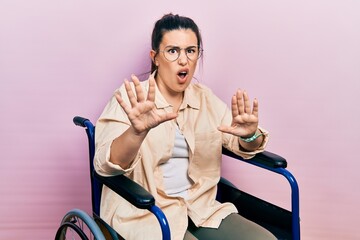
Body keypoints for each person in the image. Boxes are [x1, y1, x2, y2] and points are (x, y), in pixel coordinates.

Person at [94, 13, 276, 240]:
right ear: (155, 57)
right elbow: (105, 165)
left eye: (191, 51)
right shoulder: (131, 99)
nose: (183, 60)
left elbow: (239, 140)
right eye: (173, 51)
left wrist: (250, 136)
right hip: (146, 214)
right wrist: (136, 132)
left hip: (199, 207)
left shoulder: (205, 98)